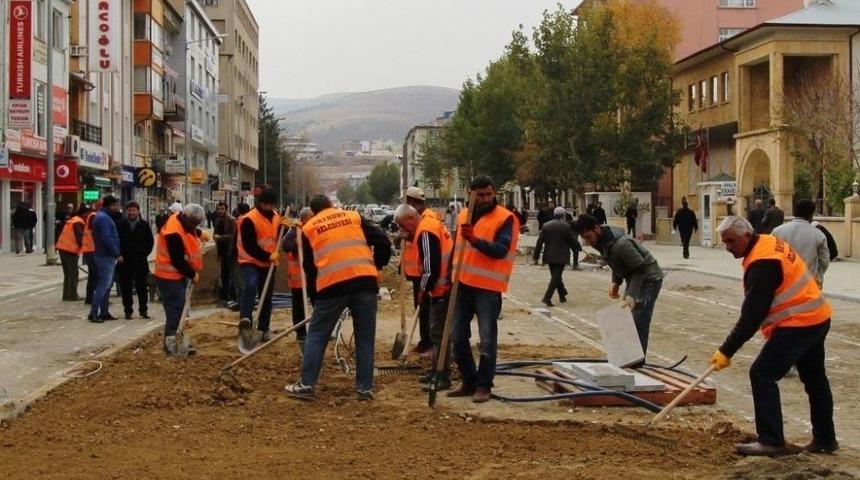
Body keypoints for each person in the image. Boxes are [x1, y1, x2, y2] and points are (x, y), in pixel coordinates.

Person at [709, 216, 836, 456]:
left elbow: (752, 316)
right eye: (725, 242)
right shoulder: (768, 243)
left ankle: (771, 440)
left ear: (746, 235)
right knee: (815, 379)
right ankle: (825, 440)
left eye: (731, 241)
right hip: (817, 316)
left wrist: (726, 351)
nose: (728, 247)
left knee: (762, 373)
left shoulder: (762, 263)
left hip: (798, 323)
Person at [284, 195, 391, 401]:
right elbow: (382, 240)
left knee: (317, 334)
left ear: (314, 212)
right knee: (365, 338)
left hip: (332, 286)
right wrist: (377, 266)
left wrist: (316, 300)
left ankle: (306, 384)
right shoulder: (353, 216)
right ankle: (364, 389)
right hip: (365, 282)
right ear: (332, 206)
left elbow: (309, 267)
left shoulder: (309, 227)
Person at [448, 175, 520, 403]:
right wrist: (447, 279)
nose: (487, 198)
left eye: (490, 194)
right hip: (462, 284)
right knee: (457, 336)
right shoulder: (462, 217)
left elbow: (500, 249)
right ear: (471, 194)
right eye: (481, 195)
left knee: (487, 340)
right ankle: (469, 380)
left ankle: (484, 385)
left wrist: (475, 239)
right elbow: (456, 249)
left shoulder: (505, 218)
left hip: (487, 288)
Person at [572, 214, 663, 359]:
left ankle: (638, 362)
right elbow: (616, 262)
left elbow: (640, 268)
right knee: (626, 316)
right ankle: (627, 357)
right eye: (584, 238)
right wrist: (616, 282)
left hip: (649, 278)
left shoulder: (621, 245)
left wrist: (632, 294)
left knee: (639, 319)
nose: (588, 242)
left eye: (588, 236)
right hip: (634, 276)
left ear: (596, 228)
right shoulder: (602, 241)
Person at [394, 204, 455, 391]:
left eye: (403, 225)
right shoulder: (428, 224)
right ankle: (436, 370)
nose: (402, 230)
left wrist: (422, 290)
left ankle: (442, 376)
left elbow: (431, 266)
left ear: (411, 218)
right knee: (437, 332)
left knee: (439, 333)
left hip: (442, 288)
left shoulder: (426, 231)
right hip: (443, 286)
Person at [153, 204, 205, 355]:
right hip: (169, 276)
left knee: (179, 308)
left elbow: (188, 231)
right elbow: (177, 259)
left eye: (197, 225)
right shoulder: (173, 231)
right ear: (185, 217)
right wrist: (191, 274)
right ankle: (171, 344)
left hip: (176, 275)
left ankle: (176, 339)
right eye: (193, 224)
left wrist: (200, 234)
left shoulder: (180, 219)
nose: (194, 227)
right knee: (175, 310)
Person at [237, 189, 282, 341]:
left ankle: (264, 328)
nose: (268, 207)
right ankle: (246, 319)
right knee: (250, 285)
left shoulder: (276, 217)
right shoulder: (249, 219)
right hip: (251, 260)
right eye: (265, 204)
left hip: (269, 263)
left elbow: (276, 235)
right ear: (260, 203)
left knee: (266, 296)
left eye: (271, 205)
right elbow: (249, 245)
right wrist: (268, 255)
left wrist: (286, 227)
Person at [401, 186, 435, 354]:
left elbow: (424, 238)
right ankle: (426, 340)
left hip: (425, 271)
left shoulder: (426, 218)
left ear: (411, 201)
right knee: (421, 307)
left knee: (425, 307)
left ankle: (427, 341)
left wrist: (408, 236)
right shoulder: (416, 216)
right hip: (417, 271)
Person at [772, 200, 829, 288]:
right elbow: (824, 260)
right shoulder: (818, 235)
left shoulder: (777, 231)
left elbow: (771, 255)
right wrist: (817, 275)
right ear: (811, 215)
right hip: (809, 284)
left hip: (784, 282)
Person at [282, 207, 314, 351]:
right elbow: (286, 245)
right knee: (299, 306)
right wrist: (298, 245)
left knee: (317, 304)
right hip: (298, 277)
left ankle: (316, 331)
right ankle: (301, 333)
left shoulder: (314, 230)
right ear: (304, 219)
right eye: (311, 217)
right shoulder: (295, 231)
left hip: (313, 276)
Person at [534, 207, 581, 307]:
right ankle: (547, 297)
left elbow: (539, 242)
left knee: (556, 276)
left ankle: (562, 294)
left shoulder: (546, 225)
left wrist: (536, 256)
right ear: (563, 215)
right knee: (556, 277)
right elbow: (571, 239)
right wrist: (578, 247)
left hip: (549, 255)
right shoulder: (566, 226)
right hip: (561, 255)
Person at [117, 202, 154, 319]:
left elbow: (150, 241)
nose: (131, 212)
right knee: (126, 287)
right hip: (125, 261)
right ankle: (128, 310)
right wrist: (118, 254)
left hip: (140, 260)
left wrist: (144, 253)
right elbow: (116, 240)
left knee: (142, 287)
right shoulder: (120, 224)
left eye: (134, 210)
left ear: (138, 211)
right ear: (126, 211)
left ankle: (143, 310)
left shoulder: (144, 224)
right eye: (129, 210)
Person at [89, 196, 122, 323]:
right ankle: (94, 313)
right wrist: (116, 253)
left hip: (102, 254)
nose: (117, 208)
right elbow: (106, 238)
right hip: (105, 255)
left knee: (107, 285)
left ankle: (104, 311)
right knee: (104, 285)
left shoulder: (101, 216)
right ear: (110, 205)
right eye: (115, 205)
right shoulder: (104, 219)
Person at [56, 205, 88, 301]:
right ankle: (72, 295)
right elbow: (79, 238)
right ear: (84, 214)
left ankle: (66, 295)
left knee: (68, 274)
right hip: (70, 250)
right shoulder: (78, 222)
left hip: (62, 249)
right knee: (73, 274)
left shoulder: (72, 220)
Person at [212, 202, 237, 302]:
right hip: (221, 250)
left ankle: (232, 295)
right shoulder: (217, 220)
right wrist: (215, 237)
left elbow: (233, 235)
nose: (220, 211)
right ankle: (225, 293)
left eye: (222, 209)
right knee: (223, 273)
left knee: (231, 273)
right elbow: (215, 233)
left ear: (226, 209)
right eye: (218, 209)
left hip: (230, 250)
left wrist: (220, 237)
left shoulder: (231, 220)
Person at [81, 206, 98, 305]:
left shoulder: (92, 216)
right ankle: (91, 298)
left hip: (90, 249)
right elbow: (95, 229)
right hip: (91, 250)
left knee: (93, 274)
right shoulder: (94, 216)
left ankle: (90, 297)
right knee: (94, 274)